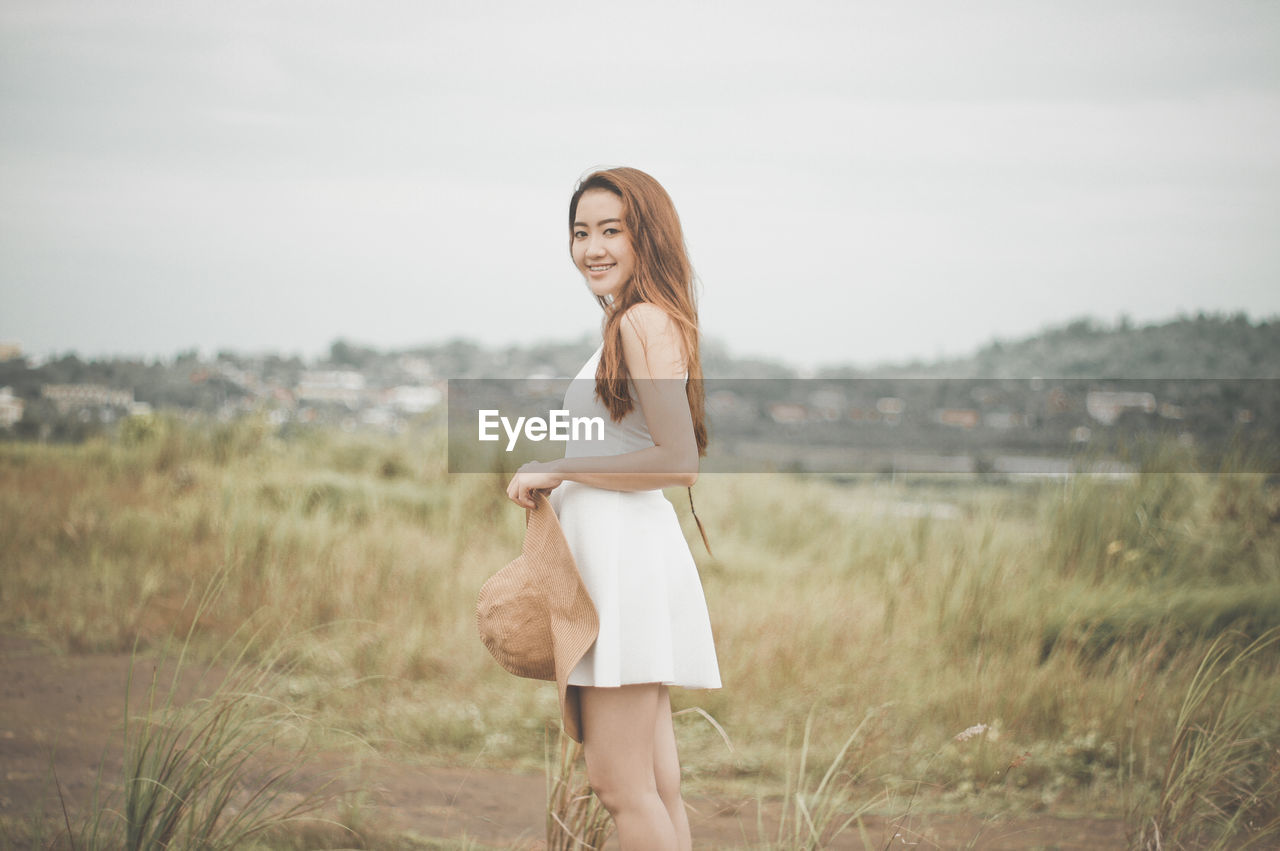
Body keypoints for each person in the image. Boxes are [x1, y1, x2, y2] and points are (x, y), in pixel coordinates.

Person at [505, 166, 720, 850]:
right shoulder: (643, 321)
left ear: (644, 237)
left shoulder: (639, 322)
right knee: (654, 785)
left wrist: (558, 467)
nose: (592, 247)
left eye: (610, 230)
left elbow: (676, 460)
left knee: (621, 784)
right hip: (627, 554)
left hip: (623, 562)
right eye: (580, 232)